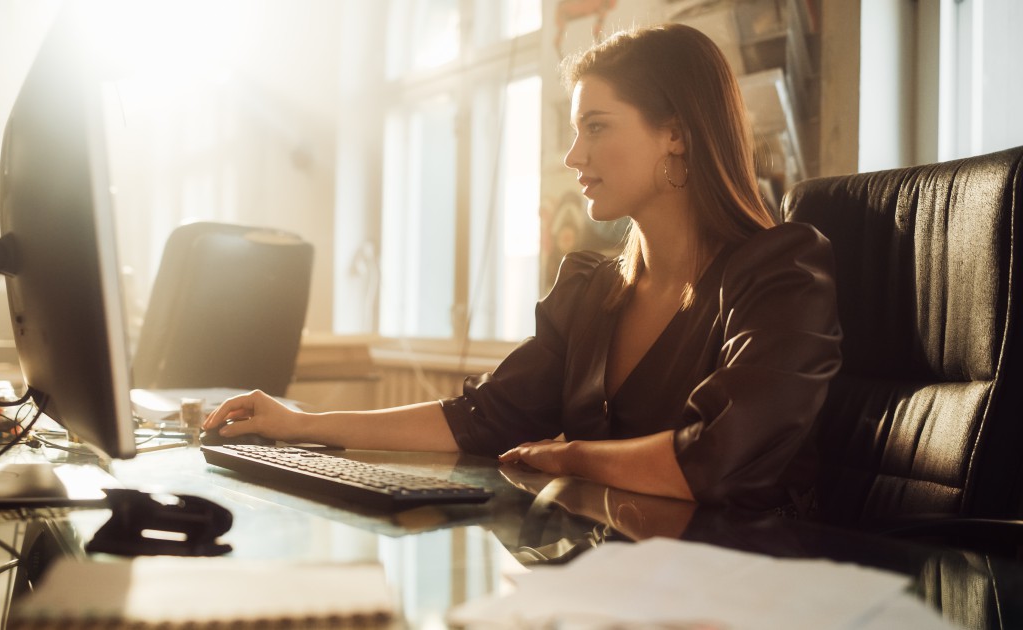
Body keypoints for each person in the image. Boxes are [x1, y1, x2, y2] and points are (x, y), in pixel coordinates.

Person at [203, 23, 842, 512]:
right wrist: (302, 425)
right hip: (617, 575)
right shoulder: (593, 288)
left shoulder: (781, 269)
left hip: (746, 585)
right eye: (574, 130)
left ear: (675, 133)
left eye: (595, 128)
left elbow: (718, 457)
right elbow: (482, 420)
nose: (573, 155)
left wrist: (575, 458)